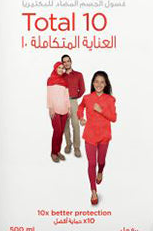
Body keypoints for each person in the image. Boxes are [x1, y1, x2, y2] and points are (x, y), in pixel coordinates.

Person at [78, 71, 117, 205]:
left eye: (102, 82)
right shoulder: (87, 98)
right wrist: (81, 118)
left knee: (100, 161)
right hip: (90, 135)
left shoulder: (110, 99)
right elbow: (80, 107)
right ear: (93, 83)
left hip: (104, 136)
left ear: (106, 84)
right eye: (96, 81)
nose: (99, 84)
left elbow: (114, 118)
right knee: (91, 163)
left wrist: (101, 110)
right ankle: (93, 191)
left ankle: (100, 171)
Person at [61, 54, 85, 157]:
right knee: (65, 125)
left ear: (71, 62)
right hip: (62, 102)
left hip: (73, 101)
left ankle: (77, 147)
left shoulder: (78, 75)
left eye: (68, 61)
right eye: (64, 62)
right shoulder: (61, 76)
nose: (66, 63)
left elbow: (82, 89)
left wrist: (74, 97)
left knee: (75, 124)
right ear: (62, 64)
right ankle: (68, 144)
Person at [46, 62, 70, 163]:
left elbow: (66, 96)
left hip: (64, 109)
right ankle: (53, 152)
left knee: (61, 132)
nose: (61, 69)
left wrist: (69, 108)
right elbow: (49, 95)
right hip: (54, 110)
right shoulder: (50, 79)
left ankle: (58, 151)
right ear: (55, 68)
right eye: (59, 67)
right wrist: (50, 107)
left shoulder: (64, 81)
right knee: (57, 131)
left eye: (62, 68)